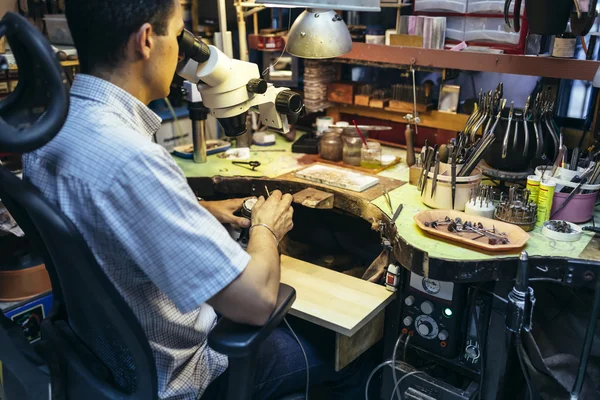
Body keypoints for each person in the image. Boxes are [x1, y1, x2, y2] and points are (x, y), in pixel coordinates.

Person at [23, 1, 372, 399]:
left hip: (100, 363)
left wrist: (196, 210)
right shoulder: (134, 160)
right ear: (147, 41)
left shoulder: (52, 129)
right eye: (177, 33)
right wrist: (266, 228)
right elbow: (255, 302)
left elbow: (95, 219)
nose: (182, 51)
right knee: (348, 353)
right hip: (182, 376)